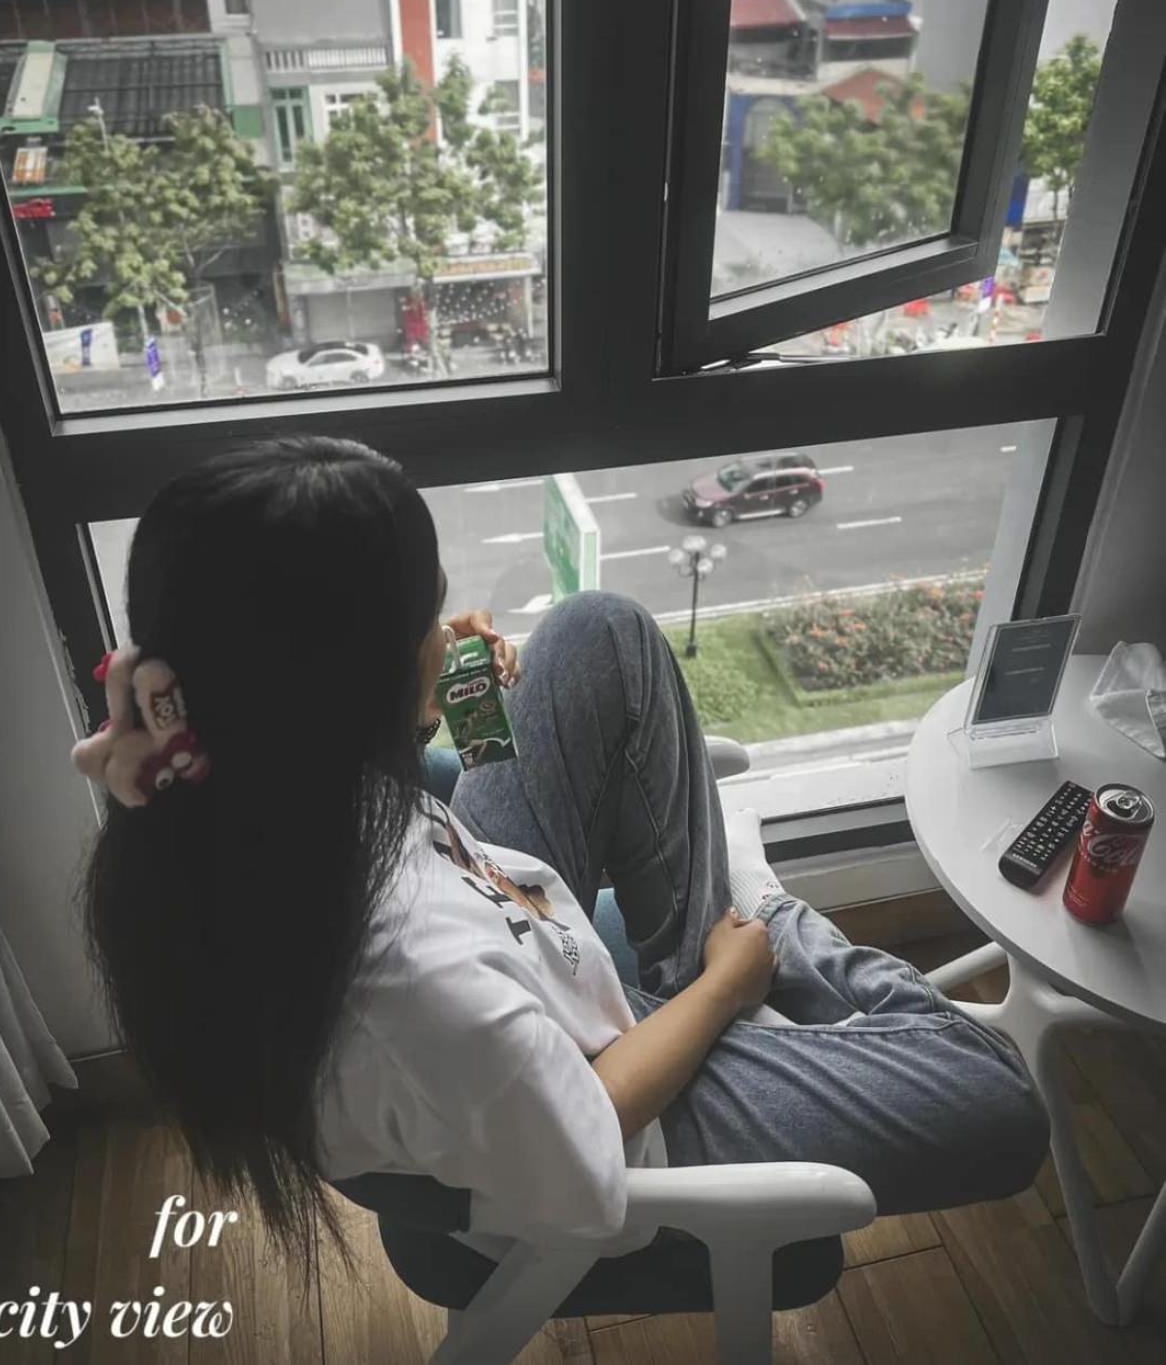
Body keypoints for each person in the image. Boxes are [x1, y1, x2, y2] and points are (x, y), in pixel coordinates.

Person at [76, 436, 1049, 1278]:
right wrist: (727, 985)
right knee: (997, 1096)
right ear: (342, 685)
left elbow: (426, 810)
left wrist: (431, 695)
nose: (444, 634)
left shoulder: (251, 791)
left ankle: (717, 951)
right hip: (623, 1113)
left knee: (597, 630)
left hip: (529, 943)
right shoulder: (414, 987)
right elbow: (591, 1128)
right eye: (423, 622)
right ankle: (766, 923)